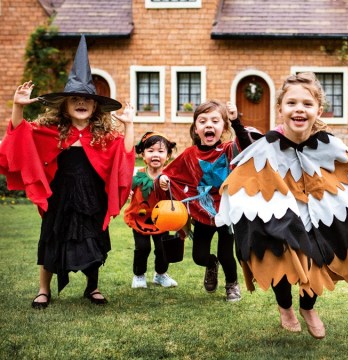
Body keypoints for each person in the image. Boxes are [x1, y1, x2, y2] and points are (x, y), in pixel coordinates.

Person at [215, 72, 348, 339]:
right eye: (292, 103)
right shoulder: (265, 147)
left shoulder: (328, 144)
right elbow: (244, 176)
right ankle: (285, 306)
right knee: (282, 259)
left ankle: (308, 308)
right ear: (280, 109)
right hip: (281, 214)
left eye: (307, 104)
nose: (299, 109)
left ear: (318, 110)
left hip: (318, 213)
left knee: (316, 261)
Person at [0, 35, 135, 308]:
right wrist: (17, 107)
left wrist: (130, 125)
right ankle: (43, 289)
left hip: (91, 196)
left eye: (86, 99)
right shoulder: (51, 132)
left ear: (95, 105)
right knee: (52, 237)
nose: (81, 103)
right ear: (64, 104)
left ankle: (92, 287)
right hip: (59, 196)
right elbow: (19, 135)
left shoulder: (104, 136)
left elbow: (125, 154)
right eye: (74, 99)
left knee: (93, 238)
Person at [157, 100, 252, 302]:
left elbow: (247, 146)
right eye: (203, 121)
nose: (209, 125)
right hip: (202, 211)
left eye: (215, 121)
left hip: (226, 211)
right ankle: (211, 264)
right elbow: (169, 174)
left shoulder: (229, 149)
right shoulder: (190, 154)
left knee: (227, 254)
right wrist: (163, 180)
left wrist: (236, 122)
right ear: (196, 129)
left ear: (223, 128)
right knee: (199, 256)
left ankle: (232, 285)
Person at [124, 132, 179, 289]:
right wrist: (128, 192)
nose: (156, 155)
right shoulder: (136, 175)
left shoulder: (169, 177)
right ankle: (139, 275)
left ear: (167, 156)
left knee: (162, 249)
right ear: (143, 154)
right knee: (143, 248)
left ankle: (160, 275)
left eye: (161, 151)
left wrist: (168, 187)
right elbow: (127, 189)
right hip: (139, 219)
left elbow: (176, 197)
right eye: (151, 150)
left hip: (162, 219)